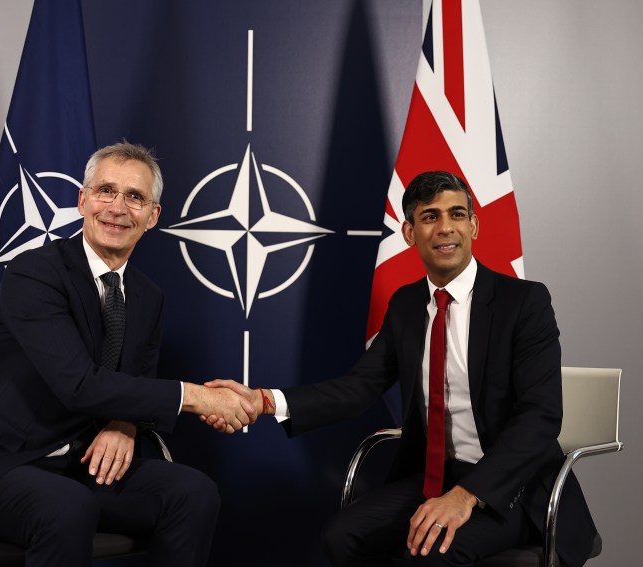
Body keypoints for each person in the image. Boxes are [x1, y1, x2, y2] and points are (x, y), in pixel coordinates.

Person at [206, 171, 598, 566]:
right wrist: (264, 401)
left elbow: (541, 416)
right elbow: (359, 386)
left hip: (511, 485)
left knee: (426, 555)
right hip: (435, 478)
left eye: (457, 214)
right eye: (430, 217)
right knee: (341, 537)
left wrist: (466, 495)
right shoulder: (407, 305)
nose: (446, 228)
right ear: (410, 233)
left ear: (474, 226)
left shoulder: (524, 302)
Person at [0, 142, 257, 567]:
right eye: (105, 191)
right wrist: (198, 397)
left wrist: (124, 423)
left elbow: (137, 382)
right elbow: (78, 384)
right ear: (82, 200)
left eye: (135, 197)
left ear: (152, 216)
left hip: (85, 466)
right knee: (68, 506)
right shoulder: (34, 272)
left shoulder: (148, 296)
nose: (117, 207)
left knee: (193, 494)